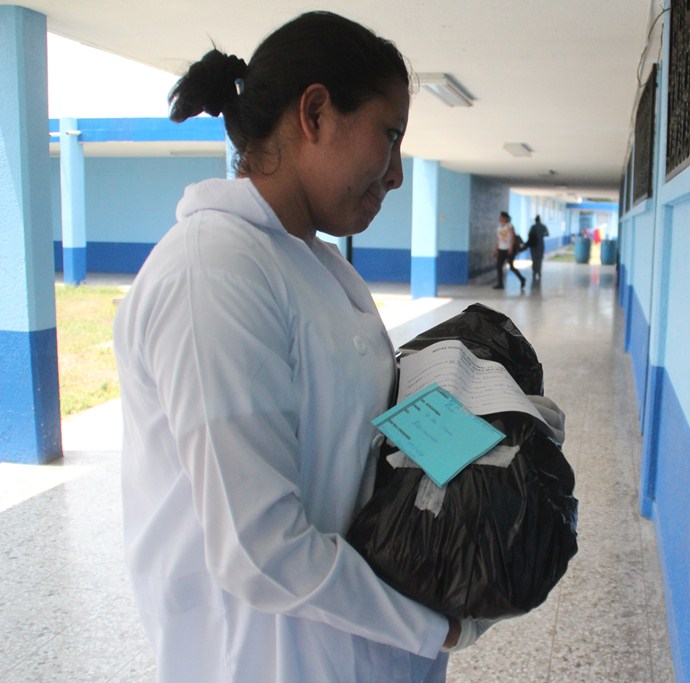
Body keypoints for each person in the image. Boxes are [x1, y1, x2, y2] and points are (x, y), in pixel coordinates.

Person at [112, 12, 481, 682]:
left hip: (359, 650)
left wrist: (493, 452)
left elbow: (369, 435)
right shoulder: (212, 272)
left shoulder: (321, 267)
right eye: (389, 134)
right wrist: (437, 624)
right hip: (266, 661)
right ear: (314, 112)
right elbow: (258, 548)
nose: (396, 173)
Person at [492, 210, 526, 291]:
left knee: (511, 266)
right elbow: (498, 239)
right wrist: (496, 249)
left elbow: (513, 238)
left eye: (501, 217)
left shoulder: (510, 226)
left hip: (509, 249)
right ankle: (500, 284)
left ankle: (522, 279)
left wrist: (511, 248)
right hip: (501, 249)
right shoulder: (499, 228)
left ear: (505, 218)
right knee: (499, 266)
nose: (499, 218)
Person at [527, 215, 549, 281]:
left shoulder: (533, 227)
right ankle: (538, 271)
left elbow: (529, 234)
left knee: (534, 259)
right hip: (540, 245)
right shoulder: (543, 227)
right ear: (540, 220)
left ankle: (534, 271)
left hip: (533, 246)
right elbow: (547, 234)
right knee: (539, 259)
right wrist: (541, 234)